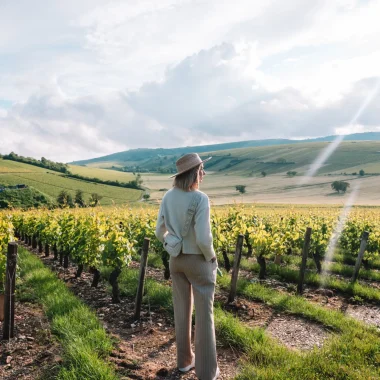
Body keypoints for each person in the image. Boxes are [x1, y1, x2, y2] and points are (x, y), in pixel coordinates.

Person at [155, 153, 219, 380]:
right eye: (202, 170)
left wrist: (171, 245)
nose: (203, 174)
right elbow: (203, 238)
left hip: (176, 261)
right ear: (194, 173)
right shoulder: (201, 199)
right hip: (198, 261)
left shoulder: (168, 197)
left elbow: (158, 232)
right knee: (204, 316)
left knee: (181, 312)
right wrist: (211, 257)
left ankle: (183, 363)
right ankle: (206, 372)